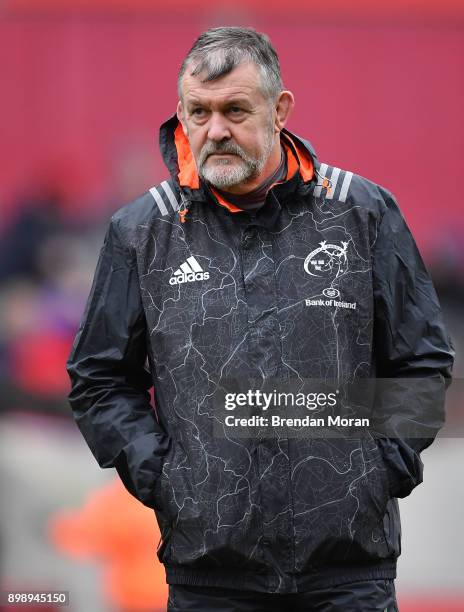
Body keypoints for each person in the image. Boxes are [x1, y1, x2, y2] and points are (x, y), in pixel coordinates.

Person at [67, 27, 454, 611]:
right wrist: (167, 480)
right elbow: (99, 379)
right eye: (198, 112)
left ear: (280, 110)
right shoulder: (143, 231)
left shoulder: (362, 212)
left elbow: (421, 361)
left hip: (348, 576)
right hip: (209, 576)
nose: (214, 130)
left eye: (234, 110)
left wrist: (381, 466)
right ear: (181, 113)